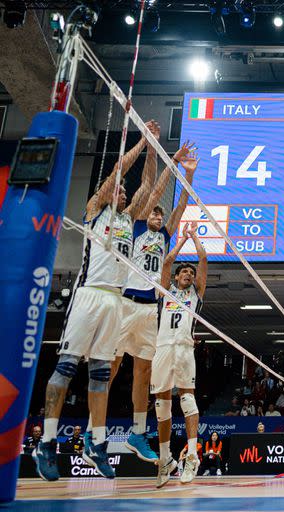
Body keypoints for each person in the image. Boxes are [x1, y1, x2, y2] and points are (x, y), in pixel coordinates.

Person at [34, 122, 160, 482]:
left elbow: (147, 185)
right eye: (118, 190)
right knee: (68, 366)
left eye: (123, 192)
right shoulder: (95, 209)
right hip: (90, 294)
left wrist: (153, 148)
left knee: (102, 375)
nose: (122, 192)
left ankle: (98, 443)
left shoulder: (129, 218)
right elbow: (117, 172)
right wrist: (139, 142)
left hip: (116, 302)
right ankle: (47, 443)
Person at [108, 143, 198, 463]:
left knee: (143, 372)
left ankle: (136, 431)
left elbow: (181, 204)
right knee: (112, 364)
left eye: (161, 214)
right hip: (126, 302)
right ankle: (95, 432)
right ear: (148, 216)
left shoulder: (165, 236)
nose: (159, 215)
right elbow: (156, 190)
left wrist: (189, 175)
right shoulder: (134, 228)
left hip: (149, 309)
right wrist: (171, 162)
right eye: (156, 213)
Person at [152, 222, 208, 488]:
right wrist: (182, 240)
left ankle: (193, 456)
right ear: (176, 278)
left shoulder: (195, 294)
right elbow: (167, 261)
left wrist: (195, 237)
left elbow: (204, 259)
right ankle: (165, 459)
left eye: (190, 272)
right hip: (162, 347)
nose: (187, 273)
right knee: (162, 404)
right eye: (183, 272)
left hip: (184, 348)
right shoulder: (166, 291)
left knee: (187, 399)